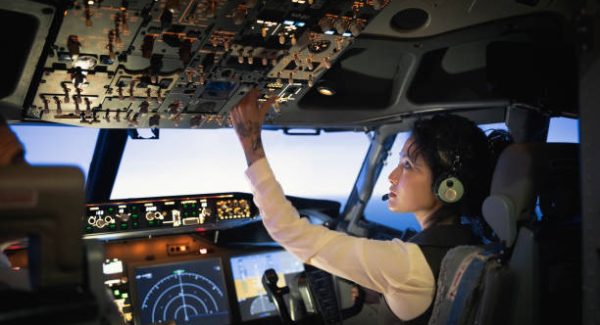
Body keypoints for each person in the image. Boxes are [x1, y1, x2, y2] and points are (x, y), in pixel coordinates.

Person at [230, 89, 511, 324]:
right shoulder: (471, 244)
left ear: (448, 188)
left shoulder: (408, 265)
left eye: (408, 166)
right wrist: (383, 293)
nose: (393, 177)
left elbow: (289, 231)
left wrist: (249, 142)